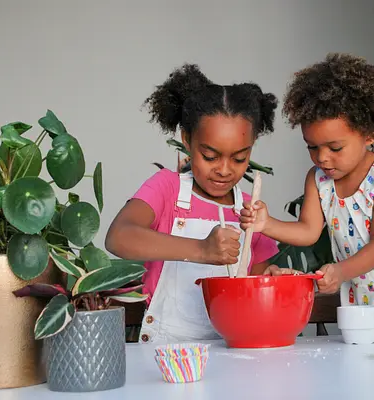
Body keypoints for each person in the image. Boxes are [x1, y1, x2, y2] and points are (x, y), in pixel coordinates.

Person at [240, 53, 374, 335]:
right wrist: (266, 224)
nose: (322, 158)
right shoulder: (318, 180)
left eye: (335, 148)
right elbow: (308, 231)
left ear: (369, 134)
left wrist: (341, 271)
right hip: (360, 299)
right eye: (312, 147)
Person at [105, 64, 288, 343]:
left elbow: (254, 283)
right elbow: (119, 237)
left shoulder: (251, 210)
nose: (225, 170)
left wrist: (271, 280)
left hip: (232, 353)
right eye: (210, 156)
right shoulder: (167, 188)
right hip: (166, 350)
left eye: (239, 158)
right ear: (188, 140)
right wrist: (201, 249)